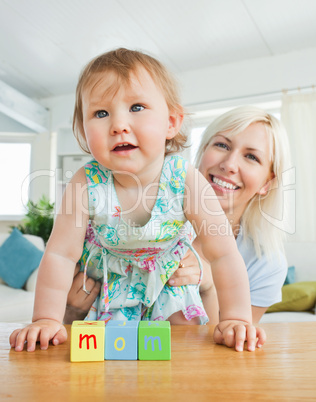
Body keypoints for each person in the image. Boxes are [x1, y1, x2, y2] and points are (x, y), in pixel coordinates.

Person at [10, 49, 265, 353]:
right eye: (101, 113)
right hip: (106, 283)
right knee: (99, 354)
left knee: (184, 338)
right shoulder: (84, 182)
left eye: (137, 107)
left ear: (171, 122)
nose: (118, 124)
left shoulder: (185, 178)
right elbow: (61, 255)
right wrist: (45, 318)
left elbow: (223, 253)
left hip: (167, 280)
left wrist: (235, 317)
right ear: (82, 130)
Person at [65, 106, 290, 325]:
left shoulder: (266, 263)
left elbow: (228, 354)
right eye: (222, 145)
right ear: (203, 151)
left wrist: (209, 287)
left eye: (251, 157)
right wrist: (71, 311)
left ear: (267, 183)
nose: (229, 165)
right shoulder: (119, 218)